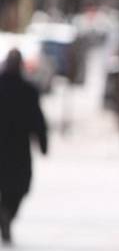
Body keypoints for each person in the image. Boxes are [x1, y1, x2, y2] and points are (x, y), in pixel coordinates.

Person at [0, 49, 48, 245]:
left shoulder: (28, 90)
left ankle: (5, 214)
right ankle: (8, 214)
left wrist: (43, 141)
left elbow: (37, 118)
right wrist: (43, 143)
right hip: (19, 148)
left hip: (12, 146)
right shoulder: (28, 89)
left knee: (17, 186)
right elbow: (39, 120)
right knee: (19, 186)